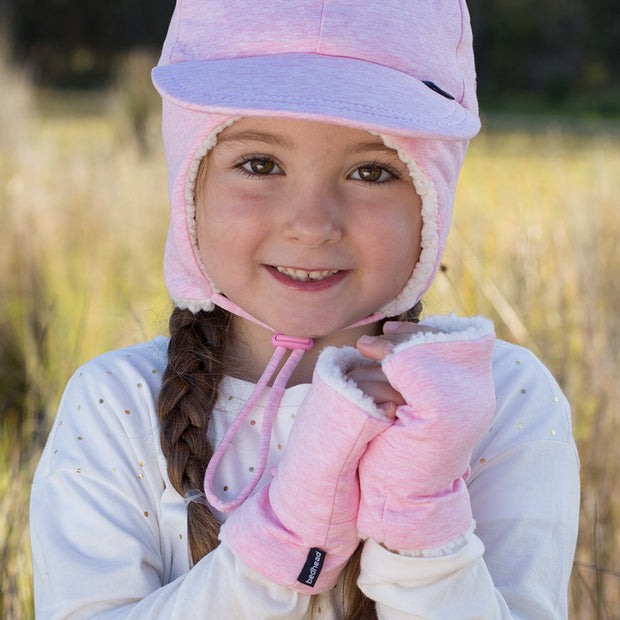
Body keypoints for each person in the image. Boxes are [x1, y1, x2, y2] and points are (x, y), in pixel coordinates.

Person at [30, 1, 580, 618]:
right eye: (260, 164)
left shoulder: (500, 403)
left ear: (432, 196)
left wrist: (420, 522)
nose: (312, 225)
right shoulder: (115, 407)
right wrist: (284, 540)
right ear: (191, 183)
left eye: (372, 172)